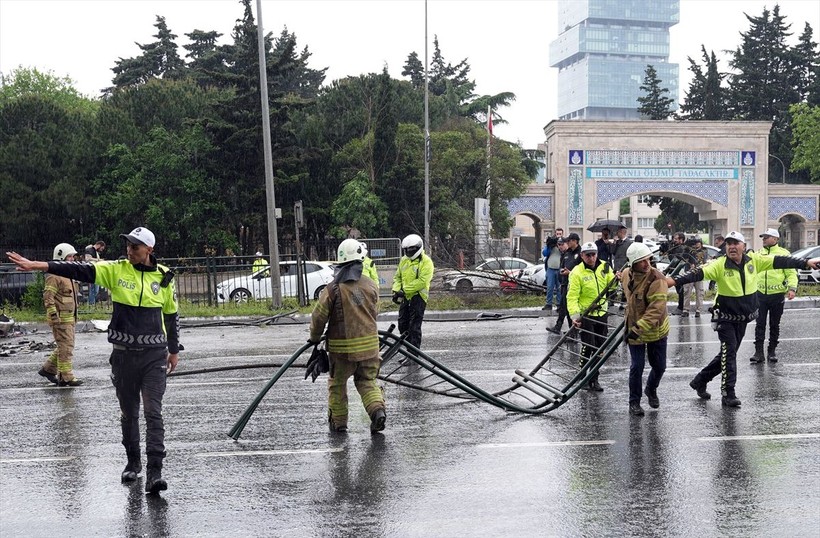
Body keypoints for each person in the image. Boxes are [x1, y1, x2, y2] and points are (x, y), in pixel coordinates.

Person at [7, 226, 181, 494]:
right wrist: (39, 265)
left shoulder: (165, 277)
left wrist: (173, 349)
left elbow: (171, 315)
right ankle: (133, 463)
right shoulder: (116, 270)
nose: (129, 250)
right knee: (129, 412)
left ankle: (155, 472)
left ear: (149, 250)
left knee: (153, 412)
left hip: (153, 356)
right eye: (128, 245)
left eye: (135, 247)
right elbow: (78, 270)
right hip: (123, 355)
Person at [666, 231, 818, 407]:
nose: (731, 246)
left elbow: (781, 261)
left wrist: (806, 262)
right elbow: (696, 273)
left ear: (743, 247)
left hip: (743, 317)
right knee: (729, 353)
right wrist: (673, 281)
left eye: (735, 243)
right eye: (729, 243)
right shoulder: (719, 265)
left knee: (726, 354)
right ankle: (728, 393)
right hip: (725, 317)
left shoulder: (754, 261)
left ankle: (700, 380)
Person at [309, 239, 385, 434]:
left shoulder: (332, 289)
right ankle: (377, 411)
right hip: (370, 349)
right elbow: (374, 312)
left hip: (342, 353)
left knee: (337, 385)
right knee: (367, 382)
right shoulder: (371, 285)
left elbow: (319, 317)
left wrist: (315, 338)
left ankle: (339, 423)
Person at [620, 242, 670, 416]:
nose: (646, 264)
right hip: (634, 326)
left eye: (648, 259)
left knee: (659, 367)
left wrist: (639, 327)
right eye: (642, 261)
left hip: (655, 330)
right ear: (632, 263)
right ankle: (634, 402)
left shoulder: (657, 279)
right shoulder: (626, 274)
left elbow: (656, 309)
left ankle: (651, 388)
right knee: (637, 367)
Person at [567, 241, 615, 391]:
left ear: (597, 254)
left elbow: (612, 287)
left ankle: (594, 378)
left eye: (593, 254)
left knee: (600, 348)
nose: (591, 258)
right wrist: (575, 316)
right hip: (586, 315)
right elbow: (572, 297)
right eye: (588, 255)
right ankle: (582, 375)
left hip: (602, 313)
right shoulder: (577, 272)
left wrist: (617, 279)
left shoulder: (605, 266)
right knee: (589, 346)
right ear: (582, 256)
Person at [749, 228, 797, 363]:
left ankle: (772, 351)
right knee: (760, 324)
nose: (763, 239)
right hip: (760, 295)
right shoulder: (758, 254)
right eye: (763, 237)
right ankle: (758, 352)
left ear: (775, 239)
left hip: (777, 295)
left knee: (774, 324)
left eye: (767, 237)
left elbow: (791, 273)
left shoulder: (784, 254)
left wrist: (792, 288)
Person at [39, 243, 82, 387]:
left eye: (72, 256)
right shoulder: (54, 276)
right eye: (69, 256)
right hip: (60, 318)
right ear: (61, 256)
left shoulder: (68, 274)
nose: (72, 259)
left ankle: (48, 369)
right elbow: (48, 297)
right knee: (66, 348)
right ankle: (66, 377)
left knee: (65, 346)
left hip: (69, 317)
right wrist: (53, 316)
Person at [392, 234, 434, 350]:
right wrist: (396, 290)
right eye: (406, 249)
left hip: (418, 297)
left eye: (411, 249)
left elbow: (422, 281)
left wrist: (404, 291)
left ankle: (413, 354)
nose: (409, 252)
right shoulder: (404, 260)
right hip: (406, 297)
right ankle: (408, 351)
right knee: (402, 325)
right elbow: (397, 277)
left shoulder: (426, 262)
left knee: (414, 327)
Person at [548, 233, 581, 334]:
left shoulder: (581, 253)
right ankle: (558, 327)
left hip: (574, 285)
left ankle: (574, 331)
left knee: (570, 309)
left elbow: (582, 271)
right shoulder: (567, 253)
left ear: (575, 241)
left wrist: (570, 273)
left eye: (569, 241)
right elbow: (562, 265)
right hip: (564, 283)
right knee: (563, 307)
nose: (567, 243)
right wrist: (562, 273)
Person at [666, 232, 692, 315]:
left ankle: (681, 308)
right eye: (674, 238)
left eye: (676, 239)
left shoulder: (683, 248)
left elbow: (678, 260)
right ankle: (681, 307)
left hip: (681, 272)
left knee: (682, 291)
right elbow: (672, 260)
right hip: (676, 272)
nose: (674, 240)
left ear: (681, 240)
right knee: (679, 290)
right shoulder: (675, 248)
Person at [541, 228, 564, 311]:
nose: (558, 235)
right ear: (555, 233)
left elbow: (565, 252)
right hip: (550, 269)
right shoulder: (551, 242)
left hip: (559, 269)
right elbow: (545, 253)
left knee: (559, 288)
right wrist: (549, 245)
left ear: (562, 234)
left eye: (560, 234)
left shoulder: (563, 243)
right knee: (550, 287)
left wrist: (560, 245)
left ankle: (559, 304)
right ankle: (548, 304)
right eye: (557, 234)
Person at [688, 238, 707, 317]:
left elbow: (704, 261)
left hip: (699, 273)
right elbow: (685, 258)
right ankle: (686, 310)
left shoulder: (703, 251)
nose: (696, 244)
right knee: (687, 292)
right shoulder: (689, 251)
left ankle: (698, 310)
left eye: (698, 242)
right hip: (689, 273)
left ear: (701, 243)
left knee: (699, 292)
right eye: (695, 243)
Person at [84, 240, 106, 305]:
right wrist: (99, 260)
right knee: (93, 289)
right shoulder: (89, 250)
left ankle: (91, 302)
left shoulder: (95, 252)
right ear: (99, 245)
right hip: (91, 271)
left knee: (95, 289)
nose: (101, 250)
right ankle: (91, 303)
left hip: (95, 272)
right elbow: (87, 259)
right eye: (102, 248)